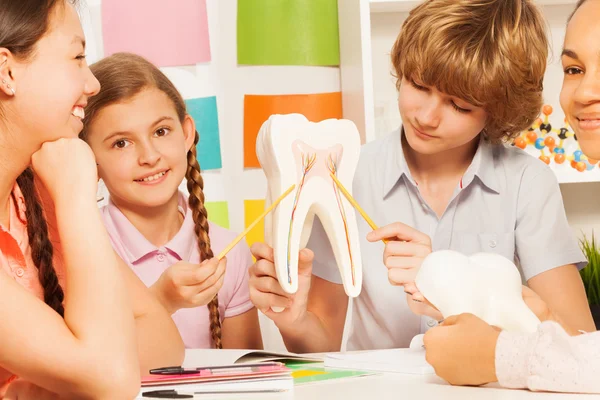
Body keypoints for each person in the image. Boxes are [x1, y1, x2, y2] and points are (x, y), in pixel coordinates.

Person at [248, 0, 594, 354]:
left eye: (460, 106)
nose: (427, 117)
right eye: (419, 85)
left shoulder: (526, 183)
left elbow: (578, 347)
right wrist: (294, 319)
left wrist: (448, 280)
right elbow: (324, 350)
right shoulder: (345, 176)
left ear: (498, 111)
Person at [0, 1, 183, 398]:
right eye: (77, 56)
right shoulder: (64, 190)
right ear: (7, 71)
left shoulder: (34, 197)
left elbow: (164, 340)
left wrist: (35, 391)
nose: (93, 83)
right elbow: (112, 381)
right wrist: (76, 198)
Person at [423, 0, 600, 393]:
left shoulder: (526, 181)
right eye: (574, 69)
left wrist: (500, 356)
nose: (586, 91)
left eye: (459, 103)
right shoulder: (362, 168)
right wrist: (544, 319)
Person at [81, 53, 263, 350]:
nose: (149, 156)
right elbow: (85, 371)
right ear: (90, 157)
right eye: (121, 143)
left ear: (187, 133)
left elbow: (248, 378)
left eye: (161, 131)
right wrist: (160, 302)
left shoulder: (229, 252)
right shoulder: (78, 248)